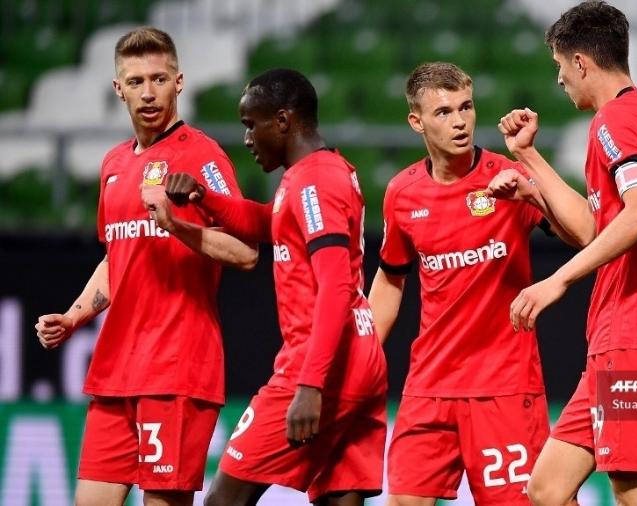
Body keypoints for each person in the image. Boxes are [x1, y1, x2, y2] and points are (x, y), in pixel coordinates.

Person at [33, 27, 256, 506]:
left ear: (179, 82)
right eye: (136, 81)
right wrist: (75, 315)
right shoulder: (113, 164)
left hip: (177, 371)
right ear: (118, 89)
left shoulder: (203, 155)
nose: (148, 92)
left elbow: (247, 251)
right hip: (115, 372)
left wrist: (177, 224)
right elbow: (118, 256)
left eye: (159, 79)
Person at [495, 2, 637, 504]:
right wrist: (529, 160)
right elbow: (595, 229)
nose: (560, 80)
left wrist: (557, 280)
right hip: (624, 335)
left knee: (636, 494)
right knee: (546, 489)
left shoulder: (615, 121)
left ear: (581, 62)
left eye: (561, 67)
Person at [162, 68, 387, 506]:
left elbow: (336, 285)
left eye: (252, 124)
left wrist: (310, 385)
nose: (247, 138)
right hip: (362, 357)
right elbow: (271, 223)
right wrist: (204, 198)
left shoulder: (314, 182)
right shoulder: (323, 171)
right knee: (340, 497)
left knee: (224, 499)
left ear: (283, 121)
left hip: (322, 366)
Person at [368, 61, 577, 506]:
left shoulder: (507, 174)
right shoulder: (401, 194)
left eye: (466, 107)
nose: (459, 121)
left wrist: (532, 193)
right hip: (429, 386)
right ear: (416, 121)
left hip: (503, 386)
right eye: (443, 112)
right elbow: (390, 280)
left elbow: (584, 235)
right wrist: (361, 360)